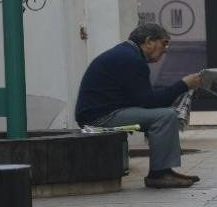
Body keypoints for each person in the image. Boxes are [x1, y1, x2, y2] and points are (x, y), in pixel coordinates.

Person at [75, 23, 202, 188]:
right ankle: (160, 174)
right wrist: (183, 85)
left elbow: (142, 98)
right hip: (100, 117)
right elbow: (149, 102)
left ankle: (164, 170)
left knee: (164, 114)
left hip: (104, 112)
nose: (166, 49)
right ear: (149, 42)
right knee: (166, 116)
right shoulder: (131, 59)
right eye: (164, 43)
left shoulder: (127, 54)